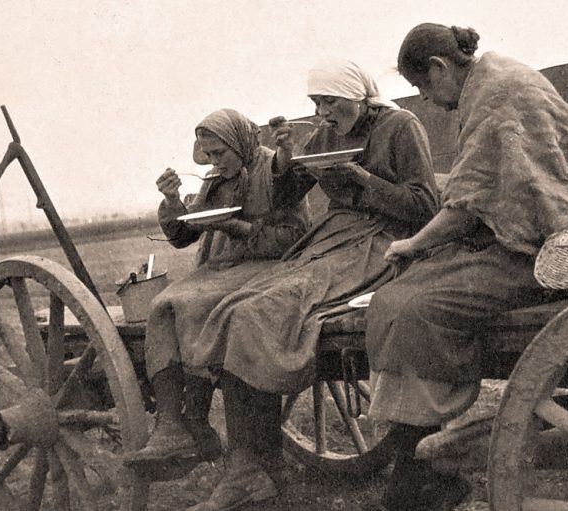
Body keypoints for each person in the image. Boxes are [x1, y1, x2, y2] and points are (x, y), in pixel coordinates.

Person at [364, 23, 568, 510]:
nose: (428, 101)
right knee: (413, 291)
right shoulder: (504, 74)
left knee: (410, 303)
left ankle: (421, 467)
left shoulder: (495, 97)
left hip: (552, 246)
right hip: (563, 224)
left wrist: (413, 244)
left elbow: (468, 201)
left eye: (424, 88)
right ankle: (415, 460)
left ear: (439, 68)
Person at [185, 59, 439, 510]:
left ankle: (255, 471)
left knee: (261, 310)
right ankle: (251, 466)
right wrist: (285, 156)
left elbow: (425, 205)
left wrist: (362, 179)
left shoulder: (402, 126)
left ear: (358, 96)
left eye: (331, 102)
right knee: (238, 305)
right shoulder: (325, 136)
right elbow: (286, 196)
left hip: (383, 241)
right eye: (316, 103)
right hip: (333, 238)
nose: (323, 112)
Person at [125, 108, 310, 464]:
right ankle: (171, 425)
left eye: (219, 153)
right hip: (224, 267)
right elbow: (183, 236)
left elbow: (296, 238)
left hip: (273, 267)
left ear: (240, 142)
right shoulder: (215, 181)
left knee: (196, 304)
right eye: (208, 155)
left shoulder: (277, 170)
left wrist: (239, 230)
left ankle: (196, 415)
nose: (214, 162)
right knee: (163, 305)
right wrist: (173, 202)